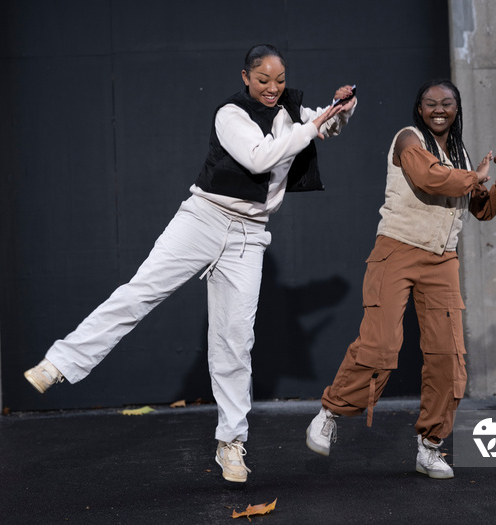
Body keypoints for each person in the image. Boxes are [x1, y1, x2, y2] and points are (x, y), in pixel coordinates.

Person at [24, 44, 357, 483]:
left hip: (249, 236)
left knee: (235, 342)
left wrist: (340, 109)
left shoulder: (294, 113)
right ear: (245, 77)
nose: (273, 88)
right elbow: (260, 157)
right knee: (140, 292)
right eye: (263, 80)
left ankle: (231, 443)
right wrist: (313, 124)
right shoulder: (230, 114)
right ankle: (60, 363)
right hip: (203, 219)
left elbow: (325, 128)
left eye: (279, 80)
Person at [305, 78, 496, 479]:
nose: (439, 109)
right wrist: (475, 177)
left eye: (448, 103)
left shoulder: (459, 152)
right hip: (397, 250)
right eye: (430, 103)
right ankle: (330, 411)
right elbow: (428, 178)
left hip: (442, 261)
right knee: (381, 345)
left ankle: (430, 446)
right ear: (419, 109)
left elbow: (481, 210)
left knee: (448, 357)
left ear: (457, 109)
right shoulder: (408, 139)